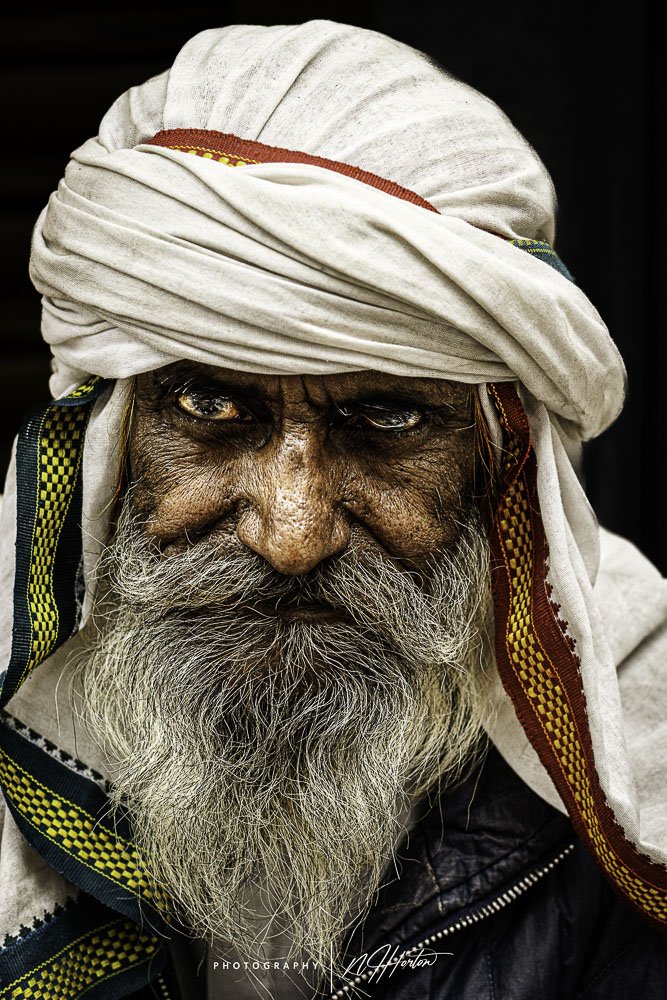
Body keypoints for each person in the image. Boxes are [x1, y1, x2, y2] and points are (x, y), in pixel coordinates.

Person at [0, 20, 665, 1000]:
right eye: (212, 406)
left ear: (495, 459)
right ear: (108, 439)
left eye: (388, 416)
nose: (293, 532)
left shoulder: (638, 761)